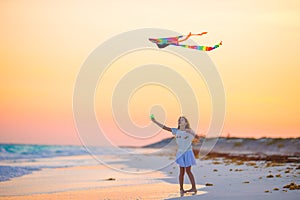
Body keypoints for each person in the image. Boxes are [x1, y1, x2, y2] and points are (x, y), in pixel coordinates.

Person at [151, 115, 198, 195]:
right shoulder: (176, 131)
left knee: (188, 171)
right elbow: (165, 127)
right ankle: (181, 189)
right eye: (179, 120)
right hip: (180, 153)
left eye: (182, 120)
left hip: (188, 152)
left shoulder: (189, 130)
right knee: (181, 172)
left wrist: (192, 133)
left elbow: (197, 137)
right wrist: (155, 121)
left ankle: (194, 188)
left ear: (186, 122)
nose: (180, 121)